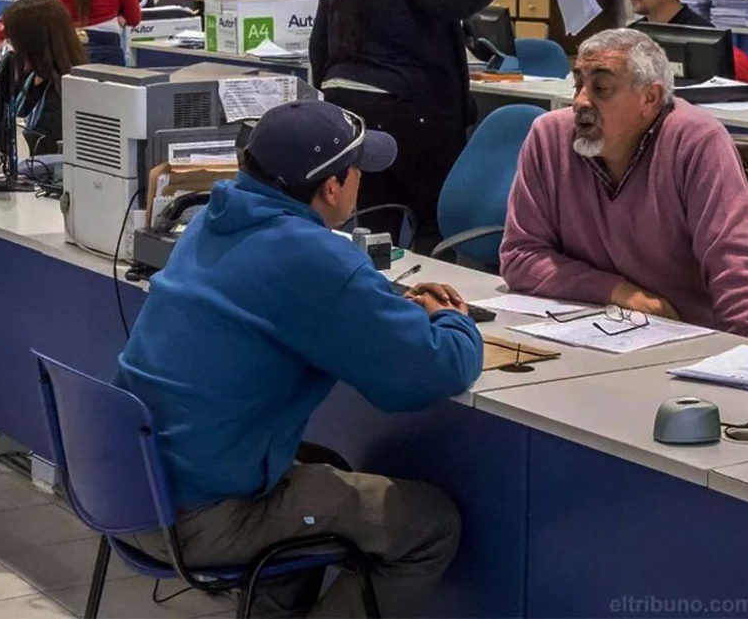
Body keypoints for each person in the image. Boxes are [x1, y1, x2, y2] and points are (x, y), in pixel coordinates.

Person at [116, 100, 483, 617]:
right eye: (357, 172)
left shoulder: (212, 220)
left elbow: (291, 294)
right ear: (332, 188)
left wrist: (373, 300)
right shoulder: (315, 260)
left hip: (128, 487)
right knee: (432, 525)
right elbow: (433, 370)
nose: (362, 183)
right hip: (201, 516)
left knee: (317, 472)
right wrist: (454, 320)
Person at [309, 0, 553, 246]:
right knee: (429, 219)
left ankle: (377, 291)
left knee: (373, 223)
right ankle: (431, 295)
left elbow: (319, 44)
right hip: (406, 111)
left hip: (347, 108)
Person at [501, 28, 748, 338]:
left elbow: (737, 274)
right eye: (579, 84)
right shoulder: (548, 137)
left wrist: (742, 359)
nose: (581, 101)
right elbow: (520, 256)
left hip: (687, 336)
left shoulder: (697, 142)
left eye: (601, 88)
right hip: (592, 329)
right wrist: (617, 291)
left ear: (650, 98)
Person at [1, 0, 88, 157]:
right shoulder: (29, 77)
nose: (11, 46)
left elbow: (43, 146)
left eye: (14, 40)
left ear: (32, 43)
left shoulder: (64, 92)